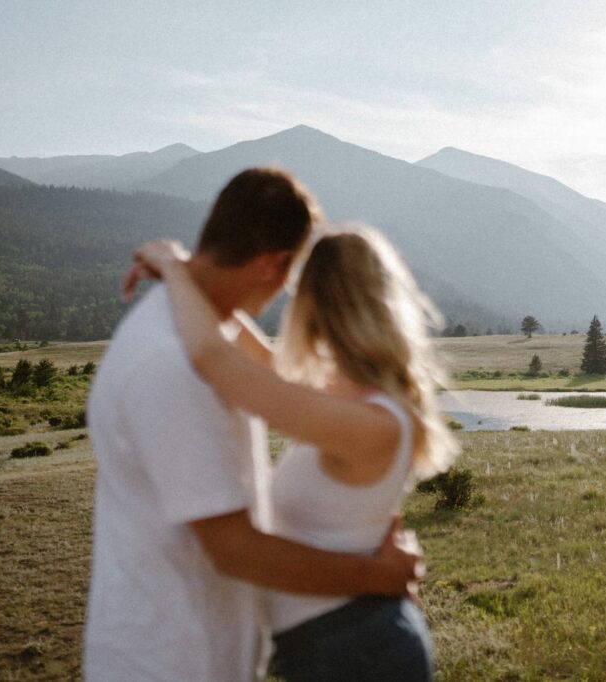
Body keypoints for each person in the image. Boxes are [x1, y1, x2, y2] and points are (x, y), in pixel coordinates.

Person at [84, 168, 423, 682]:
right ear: (271, 264)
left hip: (350, 652)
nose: (288, 295)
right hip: (180, 660)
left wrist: (179, 269)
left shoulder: (365, 415)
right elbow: (243, 363)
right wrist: (376, 574)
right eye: (288, 274)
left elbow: (222, 360)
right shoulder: (171, 362)